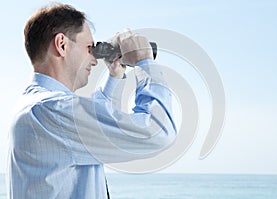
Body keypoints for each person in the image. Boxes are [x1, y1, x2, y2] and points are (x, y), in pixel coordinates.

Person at [7, 3, 177, 199]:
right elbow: (157, 131)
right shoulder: (51, 110)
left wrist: (115, 74)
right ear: (62, 44)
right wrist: (144, 61)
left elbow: (94, 127)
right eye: (89, 48)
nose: (95, 60)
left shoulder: (38, 106)